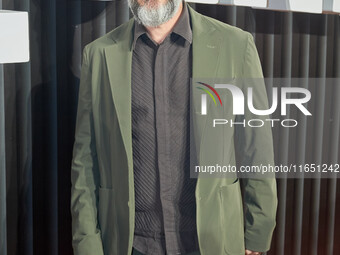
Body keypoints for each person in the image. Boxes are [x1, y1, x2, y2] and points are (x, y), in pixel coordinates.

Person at [70, 0, 278, 254]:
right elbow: (85, 161)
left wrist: (258, 229)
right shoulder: (99, 54)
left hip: (212, 240)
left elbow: (257, 147)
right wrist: (86, 242)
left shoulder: (235, 45)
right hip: (130, 244)